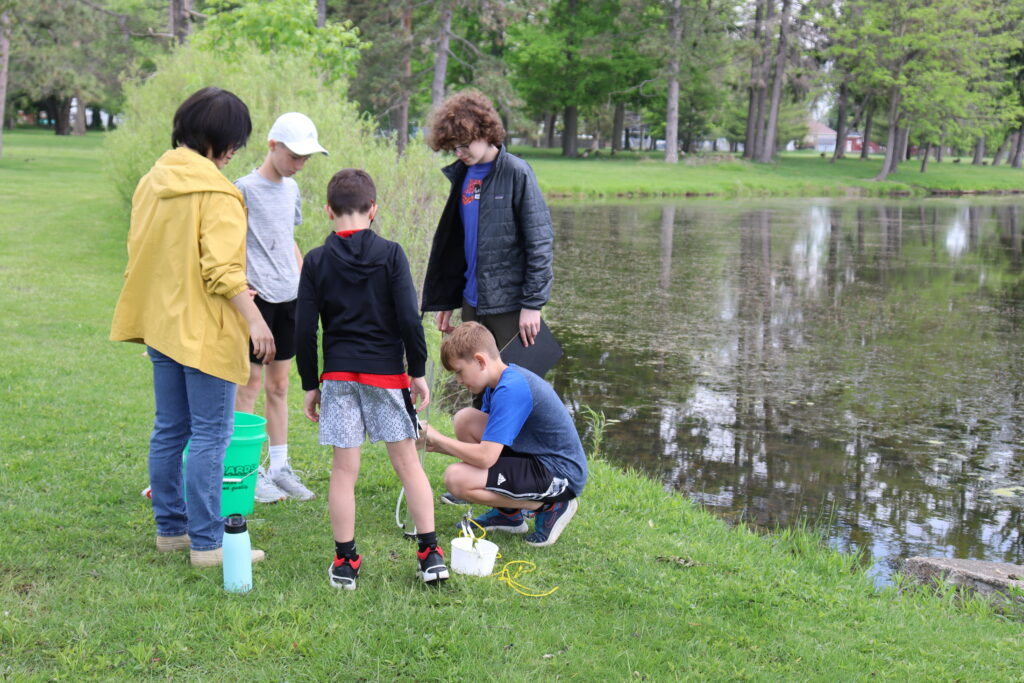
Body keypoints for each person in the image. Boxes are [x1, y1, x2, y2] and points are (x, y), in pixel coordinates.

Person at [110, 87, 273, 568]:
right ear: (221, 143)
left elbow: (147, 256)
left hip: (162, 324)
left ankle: (172, 531)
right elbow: (222, 271)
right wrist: (257, 320)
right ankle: (207, 544)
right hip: (203, 332)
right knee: (209, 435)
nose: (234, 155)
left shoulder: (151, 182)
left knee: (170, 430)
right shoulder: (218, 193)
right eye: (235, 144)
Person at [295, 168, 448, 589]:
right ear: (373, 210)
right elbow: (408, 320)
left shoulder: (316, 261)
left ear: (328, 211)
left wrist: (311, 383)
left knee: (344, 471)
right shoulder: (392, 254)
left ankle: (346, 562)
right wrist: (416, 372)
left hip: (340, 377)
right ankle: (430, 553)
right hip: (385, 375)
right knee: (408, 464)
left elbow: (305, 330)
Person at [234, 112, 327, 504]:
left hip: (290, 298)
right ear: (272, 146)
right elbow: (232, 246)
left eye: (306, 158)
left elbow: (286, 239)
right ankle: (246, 469)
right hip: (258, 301)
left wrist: (307, 281)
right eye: (294, 156)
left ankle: (279, 466)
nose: (299, 164)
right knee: (249, 385)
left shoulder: (292, 190)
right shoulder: (242, 189)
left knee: (280, 385)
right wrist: (241, 293)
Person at [424, 322, 587, 547]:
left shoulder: (511, 389)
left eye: (460, 372)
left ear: (480, 361)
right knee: (466, 419)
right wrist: (434, 444)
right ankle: (508, 514)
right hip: (532, 456)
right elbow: (488, 445)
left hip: (560, 474)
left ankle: (551, 505)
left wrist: (440, 439)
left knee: (456, 479)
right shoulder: (498, 383)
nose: (459, 381)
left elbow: (485, 457)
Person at [421, 89, 554, 357]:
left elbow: (540, 243)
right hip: (472, 305)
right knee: (479, 390)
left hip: (511, 308)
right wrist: (447, 299)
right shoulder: (462, 177)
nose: (458, 153)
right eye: (453, 147)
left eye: (463, 145)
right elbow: (457, 244)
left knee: (516, 390)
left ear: (482, 131)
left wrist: (532, 306)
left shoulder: (517, 173)